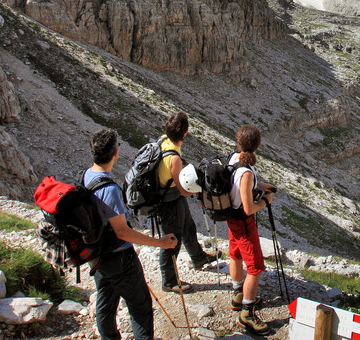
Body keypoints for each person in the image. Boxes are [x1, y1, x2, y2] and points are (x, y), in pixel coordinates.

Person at [84, 128, 178, 340]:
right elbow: (123, 232)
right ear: (115, 154)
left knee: (105, 301)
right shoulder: (109, 189)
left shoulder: (87, 175)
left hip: (98, 255)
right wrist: (160, 242)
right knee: (141, 307)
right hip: (120, 259)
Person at [155, 111, 219, 293]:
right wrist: (199, 188)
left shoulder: (163, 141)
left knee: (188, 225)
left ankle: (198, 257)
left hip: (169, 195)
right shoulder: (174, 158)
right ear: (185, 132)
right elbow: (183, 189)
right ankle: (169, 281)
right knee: (172, 239)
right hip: (169, 201)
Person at [226, 124, 276, 335]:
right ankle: (247, 313)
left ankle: (238, 293)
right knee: (255, 267)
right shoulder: (247, 172)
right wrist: (266, 201)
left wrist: (261, 185)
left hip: (231, 219)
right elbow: (248, 208)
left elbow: (238, 185)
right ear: (257, 145)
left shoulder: (234, 158)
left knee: (235, 255)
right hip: (244, 224)